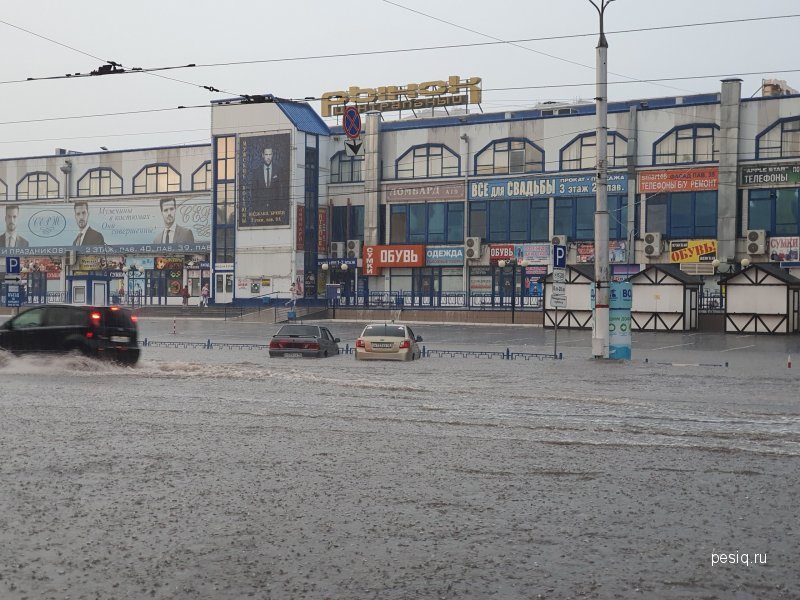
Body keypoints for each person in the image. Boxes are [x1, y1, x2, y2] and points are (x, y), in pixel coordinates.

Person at [251, 146, 281, 213]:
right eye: (266, 154)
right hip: (260, 211)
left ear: (272, 155)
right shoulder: (256, 172)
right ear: (263, 155)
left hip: (275, 210)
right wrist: (256, 209)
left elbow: (281, 191)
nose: (268, 157)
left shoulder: (278, 170)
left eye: (270, 154)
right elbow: (254, 193)